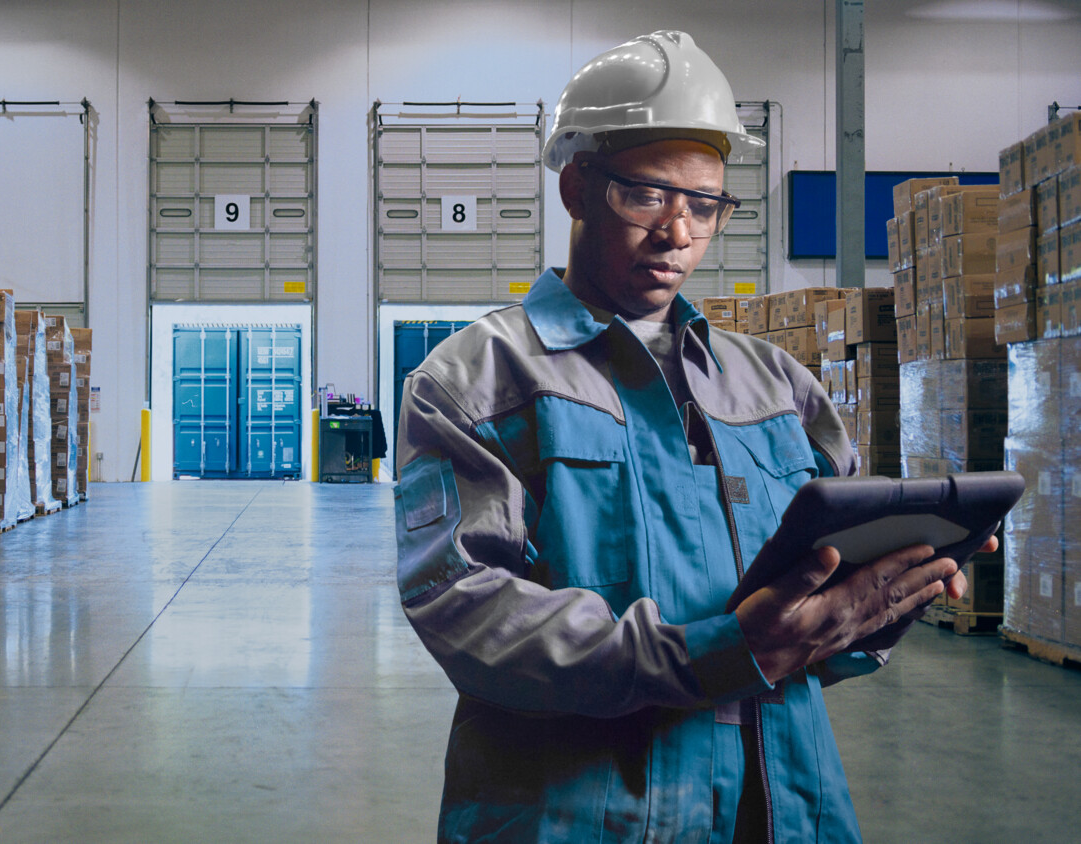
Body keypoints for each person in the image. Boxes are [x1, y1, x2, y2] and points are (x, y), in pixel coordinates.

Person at [393, 30, 988, 843]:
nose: (679, 231)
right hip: (576, 818)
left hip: (782, 813)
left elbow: (819, 629)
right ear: (576, 187)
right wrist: (715, 651)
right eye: (647, 195)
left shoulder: (779, 386)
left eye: (704, 204)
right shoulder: (475, 380)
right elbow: (467, 612)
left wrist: (883, 602)